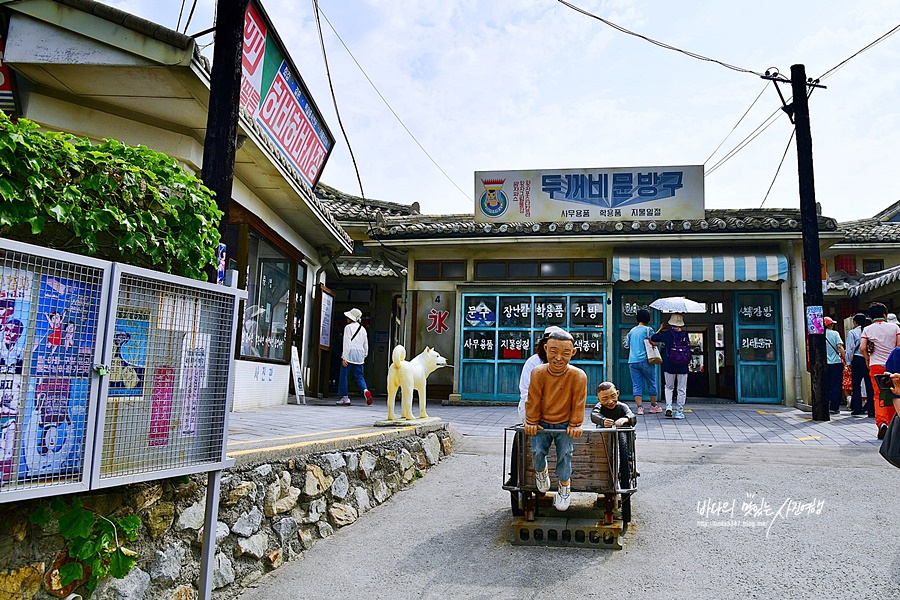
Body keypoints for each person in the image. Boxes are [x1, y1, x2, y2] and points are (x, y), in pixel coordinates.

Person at [525, 328, 587, 512]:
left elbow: (579, 403)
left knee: (565, 454)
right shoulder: (538, 372)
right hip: (542, 423)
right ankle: (541, 472)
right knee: (536, 451)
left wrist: (575, 424)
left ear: (573, 353)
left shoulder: (578, 376)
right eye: (553, 352)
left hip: (565, 424)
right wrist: (531, 421)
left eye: (565, 353)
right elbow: (533, 399)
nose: (558, 358)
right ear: (545, 348)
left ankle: (564, 486)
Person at [506, 326, 555, 489]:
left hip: (556, 411)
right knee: (536, 435)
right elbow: (527, 394)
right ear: (544, 345)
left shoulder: (562, 362)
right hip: (531, 408)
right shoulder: (533, 362)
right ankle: (540, 471)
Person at [861, 302, 900, 439]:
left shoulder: (867, 329)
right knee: (895, 393)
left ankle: (882, 422)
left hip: (875, 365)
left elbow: (862, 347)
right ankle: (894, 422)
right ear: (885, 315)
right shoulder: (894, 327)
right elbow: (898, 346)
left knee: (879, 394)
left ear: (871, 317)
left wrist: (867, 359)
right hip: (893, 365)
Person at [590, 382, 636, 489]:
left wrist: (625, 419)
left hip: (623, 431)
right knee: (599, 432)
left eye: (613, 396)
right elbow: (594, 415)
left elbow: (632, 416)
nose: (610, 401)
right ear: (599, 399)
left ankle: (629, 459)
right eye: (605, 399)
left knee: (631, 434)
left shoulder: (622, 406)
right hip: (606, 430)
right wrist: (603, 420)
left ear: (618, 393)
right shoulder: (599, 407)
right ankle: (602, 458)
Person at [651, 313, 690, 419]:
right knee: (681, 389)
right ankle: (679, 411)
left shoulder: (667, 334)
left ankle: (668, 406)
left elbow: (653, 337)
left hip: (669, 364)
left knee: (669, 387)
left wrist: (660, 328)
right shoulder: (685, 334)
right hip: (683, 365)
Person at [624, 309, 661, 415]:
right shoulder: (648, 330)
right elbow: (654, 342)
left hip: (632, 361)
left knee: (636, 385)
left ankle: (640, 408)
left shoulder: (632, 331)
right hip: (646, 360)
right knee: (651, 383)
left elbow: (627, 345)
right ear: (648, 319)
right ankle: (653, 406)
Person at [336, 308, 372, 406]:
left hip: (350, 353)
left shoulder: (348, 328)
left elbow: (346, 342)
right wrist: (364, 356)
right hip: (360, 355)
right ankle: (365, 390)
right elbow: (366, 345)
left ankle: (345, 398)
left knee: (344, 375)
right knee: (359, 376)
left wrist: (344, 357)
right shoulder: (363, 329)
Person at [844, 313, 874, 417]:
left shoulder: (853, 333)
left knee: (856, 385)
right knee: (869, 384)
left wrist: (848, 362)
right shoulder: (870, 331)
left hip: (857, 360)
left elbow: (850, 349)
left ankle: (857, 408)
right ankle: (871, 409)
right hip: (869, 359)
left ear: (855, 322)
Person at [823, 317, 845, 415]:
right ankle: (834, 407)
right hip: (836, 362)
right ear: (829, 325)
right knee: (836, 385)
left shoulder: (819, 335)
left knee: (825, 385)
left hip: (824, 364)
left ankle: (825, 405)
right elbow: (839, 347)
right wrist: (846, 359)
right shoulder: (835, 334)